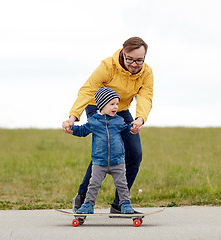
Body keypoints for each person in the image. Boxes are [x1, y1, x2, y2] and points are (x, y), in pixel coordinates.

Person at [62, 36, 153, 214]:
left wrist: (140, 119)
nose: (135, 64)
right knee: (103, 150)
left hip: (121, 110)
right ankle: (82, 198)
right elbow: (88, 90)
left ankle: (121, 204)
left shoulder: (146, 73)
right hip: (98, 108)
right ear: (123, 53)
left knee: (135, 153)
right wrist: (73, 117)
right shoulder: (108, 66)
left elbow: (145, 95)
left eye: (139, 60)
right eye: (131, 60)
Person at [72, 87, 134, 214]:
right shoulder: (94, 121)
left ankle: (125, 204)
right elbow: (82, 131)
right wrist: (71, 129)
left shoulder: (119, 120)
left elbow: (126, 132)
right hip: (99, 162)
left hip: (117, 161)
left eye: (117, 104)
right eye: (112, 104)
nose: (116, 107)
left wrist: (132, 129)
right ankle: (88, 205)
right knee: (93, 184)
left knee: (122, 184)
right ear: (102, 105)